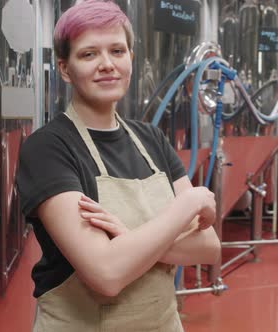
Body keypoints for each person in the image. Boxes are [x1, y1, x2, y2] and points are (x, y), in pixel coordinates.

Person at [17, 1, 221, 330]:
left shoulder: (152, 140)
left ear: (131, 59)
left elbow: (209, 247)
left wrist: (128, 238)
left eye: (117, 50)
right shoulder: (47, 148)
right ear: (65, 69)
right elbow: (107, 274)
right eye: (88, 54)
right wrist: (188, 204)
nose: (107, 64)